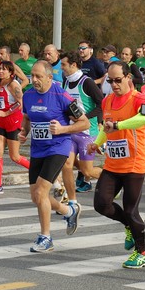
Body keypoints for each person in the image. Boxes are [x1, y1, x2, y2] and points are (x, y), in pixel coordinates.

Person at [87, 61, 145, 268]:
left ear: (128, 78)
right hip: (113, 164)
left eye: (118, 80)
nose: (114, 84)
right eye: (110, 80)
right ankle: (128, 226)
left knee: (131, 210)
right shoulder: (107, 101)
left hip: (134, 164)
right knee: (101, 204)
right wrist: (96, 143)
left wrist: (119, 125)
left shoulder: (140, 98)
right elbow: (107, 128)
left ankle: (142, 253)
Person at [19, 61, 88, 252]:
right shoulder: (28, 95)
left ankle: (46, 238)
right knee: (36, 197)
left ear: (50, 77)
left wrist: (63, 129)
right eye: (32, 76)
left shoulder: (61, 96)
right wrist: (24, 132)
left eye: (38, 76)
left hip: (58, 148)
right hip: (38, 149)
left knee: (41, 193)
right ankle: (69, 211)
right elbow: (27, 117)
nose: (34, 80)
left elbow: (84, 123)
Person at [59, 51, 103, 195]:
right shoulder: (66, 81)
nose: (61, 68)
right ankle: (69, 198)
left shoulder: (87, 82)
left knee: (87, 171)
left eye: (64, 65)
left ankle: (112, 179)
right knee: (66, 164)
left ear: (73, 64)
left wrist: (85, 117)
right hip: (71, 131)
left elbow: (102, 104)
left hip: (87, 132)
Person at [0, 61, 30, 195]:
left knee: (15, 156)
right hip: (0, 122)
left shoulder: (13, 85)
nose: (0, 71)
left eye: (4, 69)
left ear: (11, 73)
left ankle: (37, 170)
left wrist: (6, 113)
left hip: (13, 121)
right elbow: (1, 104)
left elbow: (20, 103)